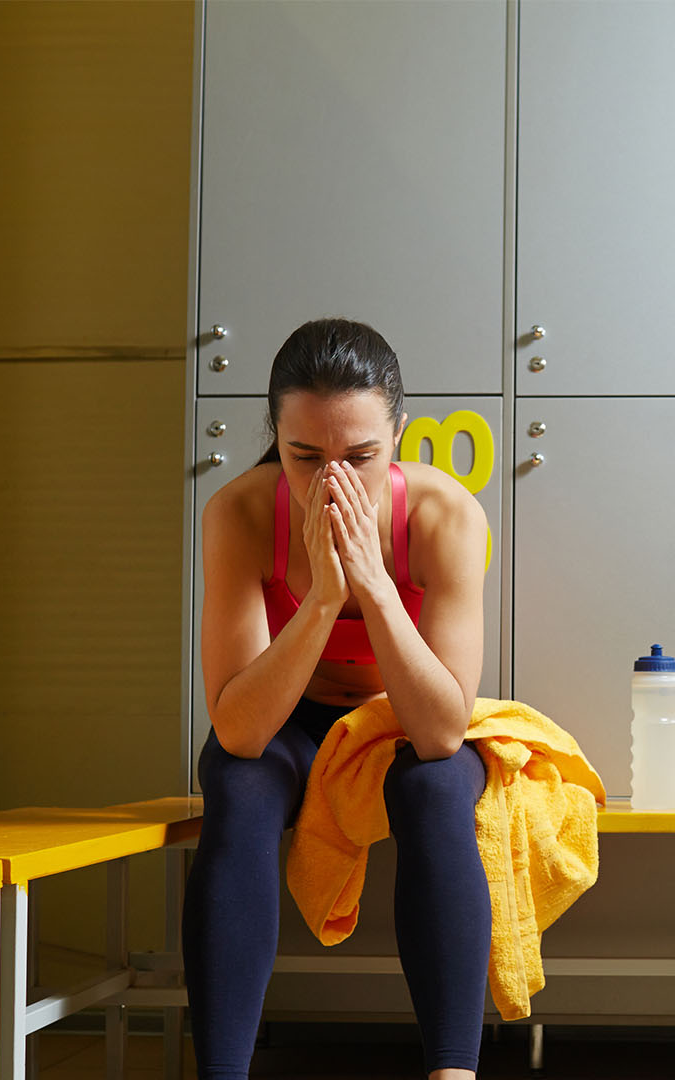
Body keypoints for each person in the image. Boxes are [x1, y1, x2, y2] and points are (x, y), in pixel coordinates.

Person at [185, 316, 493, 1079]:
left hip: (399, 724)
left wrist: (378, 590)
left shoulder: (444, 516)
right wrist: (322, 600)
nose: (334, 482)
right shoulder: (242, 514)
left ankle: (453, 1072)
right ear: (275, 438)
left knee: (438, 784)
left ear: (399, 435)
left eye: (361, 456)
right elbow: (241, 729)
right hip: (287, 726)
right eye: (304, 456)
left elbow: (442, 732)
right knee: (238, 782)